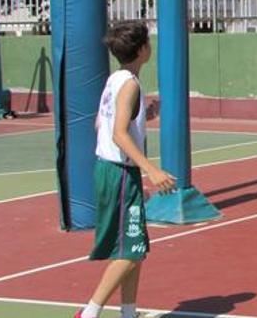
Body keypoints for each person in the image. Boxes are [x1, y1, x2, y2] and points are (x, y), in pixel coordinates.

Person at [74, 22, 176, 318]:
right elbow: (119, 133)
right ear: (143, 49)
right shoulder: (130, 84)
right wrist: (150, 170)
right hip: (118, 172)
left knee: (135, 248)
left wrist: (143, 117)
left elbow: (100, 124)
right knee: (130, 251)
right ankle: (89, 313)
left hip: (116, 171)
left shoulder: (115, 80)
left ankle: (128, 313)